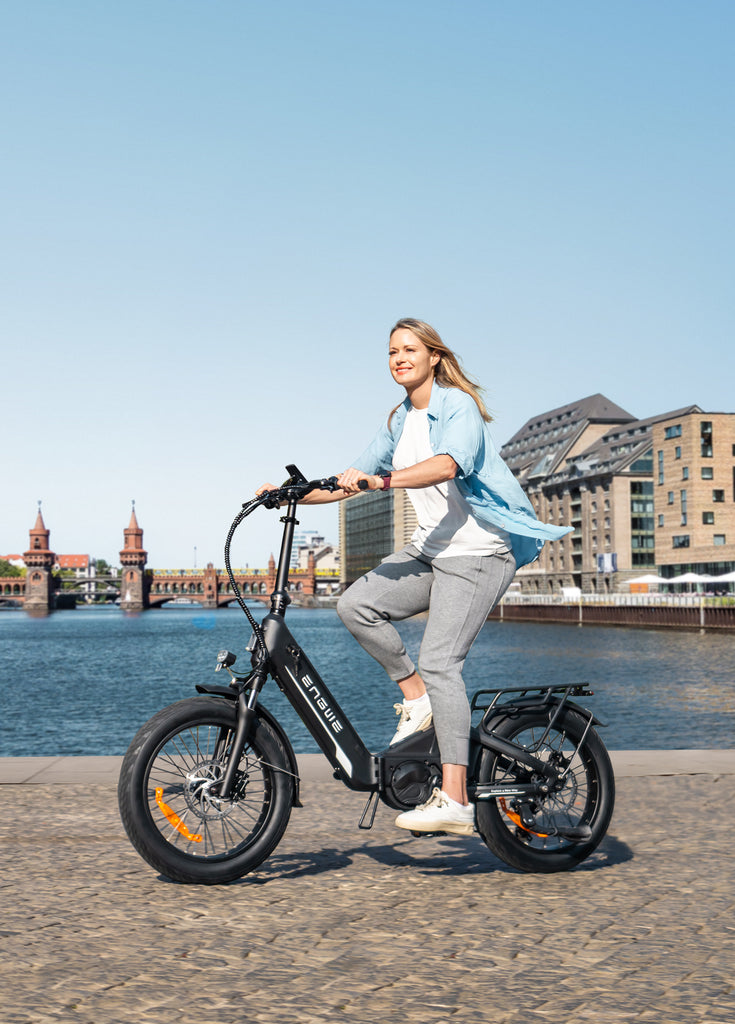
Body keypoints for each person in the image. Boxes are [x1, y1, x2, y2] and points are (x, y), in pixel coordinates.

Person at [258, 318, 570, 836]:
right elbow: (348, 480)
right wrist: (289, 494)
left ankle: (454, 797)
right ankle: (416, 695)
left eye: (409, 349)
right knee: (355, 605)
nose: (399, 357)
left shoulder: (456, 406)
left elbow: (449, 465)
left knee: (441, 660)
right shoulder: (400, 418)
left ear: (433, 356)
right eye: (391, 351)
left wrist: (383, 480)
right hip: (432, 551)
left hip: (477, 551)